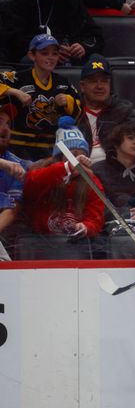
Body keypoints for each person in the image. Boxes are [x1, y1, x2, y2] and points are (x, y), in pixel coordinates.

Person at [0, 34, 82, 161]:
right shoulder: (18, 78)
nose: (51, 58)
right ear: (32, 55)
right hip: (18, 151)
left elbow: (81, 111)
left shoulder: (63, 83)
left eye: (55, 53)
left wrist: (69, 102)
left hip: (51, 151)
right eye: (45, 53)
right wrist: (15, 92)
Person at [22, 116, 104, 238]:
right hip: (41, 242)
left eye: (83, 154)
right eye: (73, 154)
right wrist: (67, 167)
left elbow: (96, 217)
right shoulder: (41, 171)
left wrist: (87, 227)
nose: (79, 159)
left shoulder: (90, 180)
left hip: (76, 244)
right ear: (60, 156)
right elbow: (31, 186)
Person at [4, 0, 104, 65]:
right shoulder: (19, 2)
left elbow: (95, 37)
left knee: (96, 62)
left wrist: (83, 47)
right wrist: (49, 52)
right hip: (30, 65)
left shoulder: (73, 3)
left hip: (71, 61)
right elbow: (13, 41)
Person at [76, 54, 135, 164]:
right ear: (82, 86)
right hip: (81, 171)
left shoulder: (123, 111)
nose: (99, 86)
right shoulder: (72, 111)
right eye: (93, 81)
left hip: (116, 169)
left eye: (104, 81)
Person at [0, 104, 28, 260]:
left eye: (8, 124)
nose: (5, 129)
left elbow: (11, 210)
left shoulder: (18, 165)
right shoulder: (9, 166)